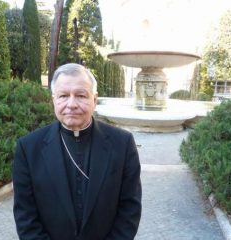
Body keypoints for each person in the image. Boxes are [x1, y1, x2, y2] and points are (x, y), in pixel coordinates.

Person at [13, 63, 142, 240]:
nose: (71, 104)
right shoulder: (28, 148)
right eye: (63, 96)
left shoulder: (122, 144)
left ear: (94, 100)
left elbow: (130, 209)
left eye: (81, 95)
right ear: (54, 100)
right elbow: (26, 216)